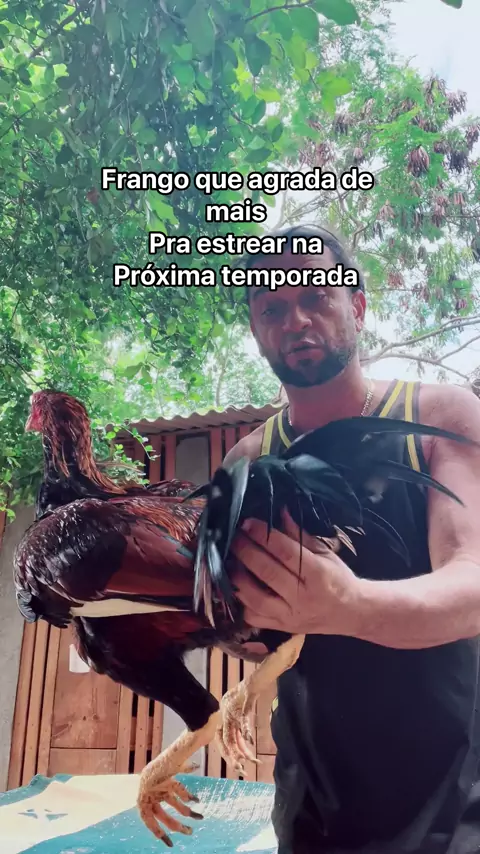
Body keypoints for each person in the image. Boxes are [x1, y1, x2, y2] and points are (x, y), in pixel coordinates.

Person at [222, 224, 480, 854]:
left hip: (452, 798)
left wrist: (349, 605)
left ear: (357, 306)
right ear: (256, 331)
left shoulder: (440, 417)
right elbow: (255, 629)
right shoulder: (245, 462)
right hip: (313, 804)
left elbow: (473, 579)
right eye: (272, 308)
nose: (296, 319)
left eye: (316, 295)